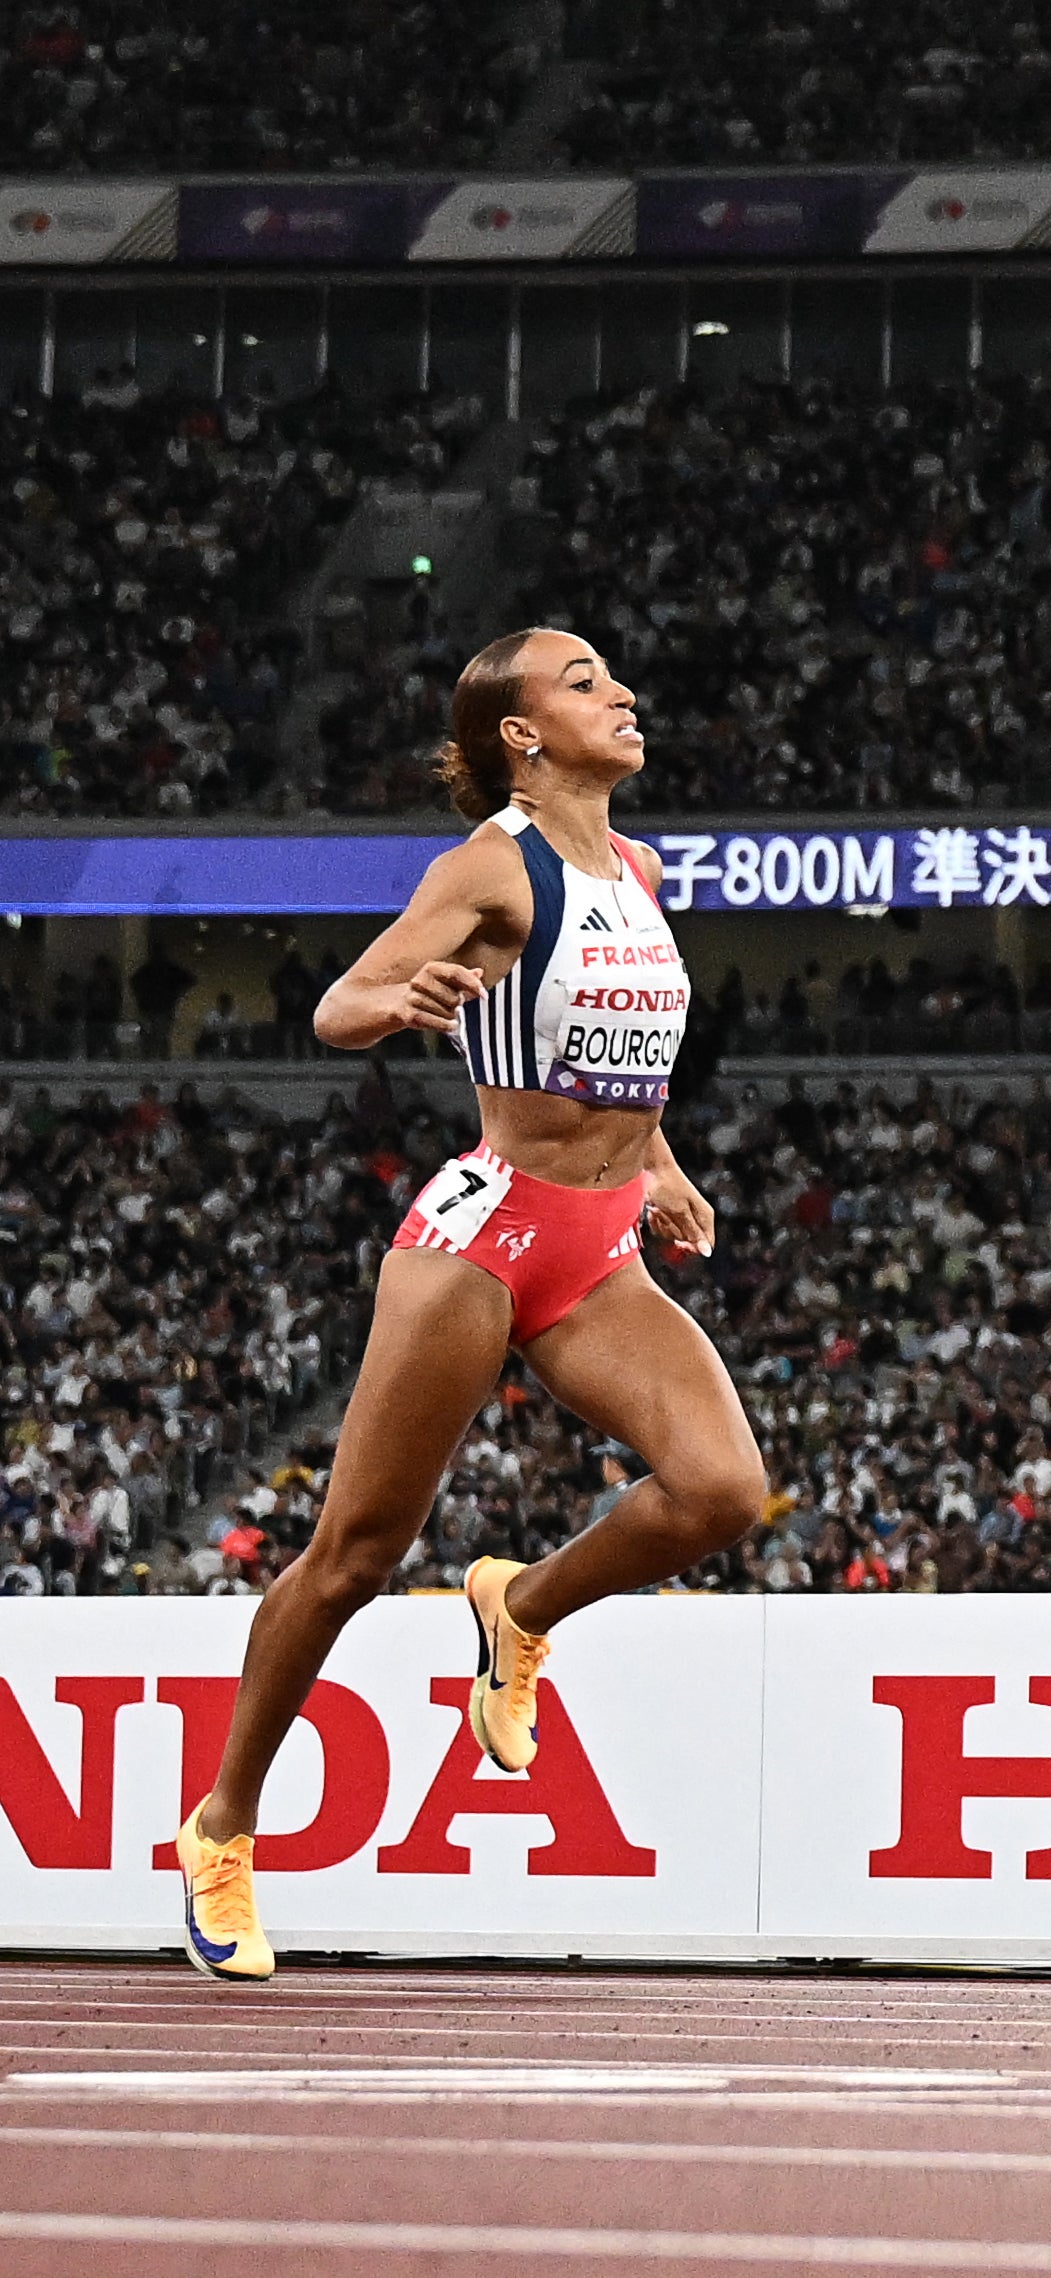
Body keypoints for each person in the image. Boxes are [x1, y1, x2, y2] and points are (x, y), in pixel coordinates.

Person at [173, 629, 768, 1984]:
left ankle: (522, 1607)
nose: (619, 692)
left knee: (724, 1490)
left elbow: (627, 1052)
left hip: (599, 1249)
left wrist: (662, 1164)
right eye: (581, 681)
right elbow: (341, 1001)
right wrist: (397, 1001)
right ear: (520, 732)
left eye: (614, 675)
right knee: (354, 1555)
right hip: (482, 1242)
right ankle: (222, 1825)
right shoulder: (492, 865)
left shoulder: (641, 870)